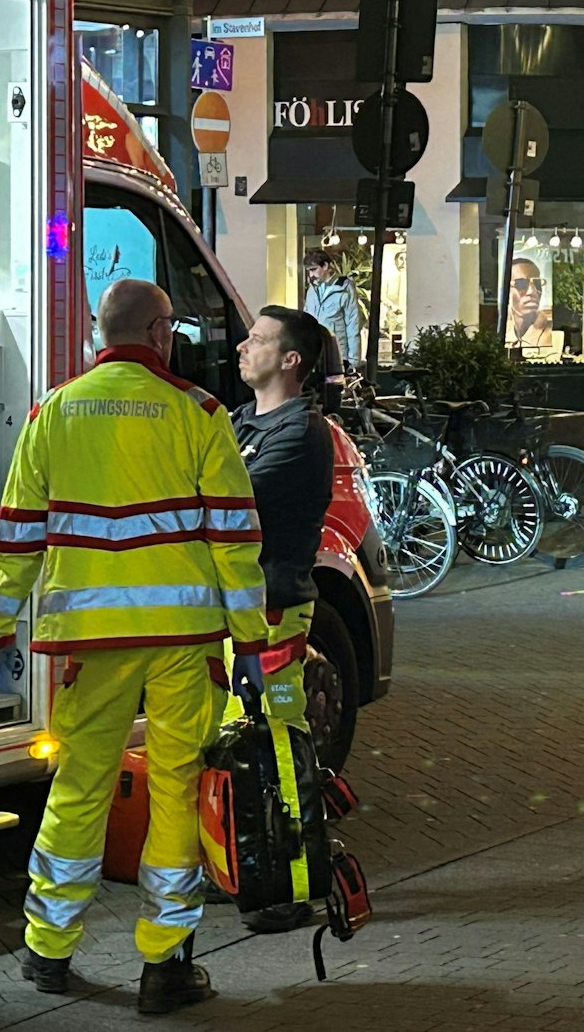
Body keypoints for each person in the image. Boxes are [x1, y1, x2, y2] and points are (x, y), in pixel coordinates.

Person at [0, 278, 268, 1015]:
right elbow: (235, 537)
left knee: (79, 785)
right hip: (183, 640)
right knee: (175, 788)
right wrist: (252, 640)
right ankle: (164, 964)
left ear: (104, 334)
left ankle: (47, 948)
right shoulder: (198, 414)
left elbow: (16, 530)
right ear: (160, 331)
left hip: (89, 641)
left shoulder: (55, 412)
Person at [223, 304, 338, 933]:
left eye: (259, 340)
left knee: (283, 743)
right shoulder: (244, 422)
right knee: (241, 742)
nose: (244, 346)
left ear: (290, 360)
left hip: (274, 610)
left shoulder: (300, 433)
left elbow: (229, 497)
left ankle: (296, 888)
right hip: (239, 610)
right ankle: (245, 868)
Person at [302, 248, 363, 369]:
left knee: (334, 386)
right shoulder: (312, 289)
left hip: (336, 353)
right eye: (309, 271)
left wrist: (353, 360)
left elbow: (353, 323)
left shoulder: (345, 287)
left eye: (314, 270)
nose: (311, 275)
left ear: (325, 266)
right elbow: (307, 319)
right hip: (315, 352)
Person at [508, 257, 553, 350]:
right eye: (521, 283)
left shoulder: (553, 334)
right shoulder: (501, 333)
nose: (532, 291)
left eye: (537, 283)